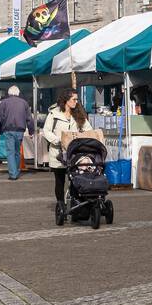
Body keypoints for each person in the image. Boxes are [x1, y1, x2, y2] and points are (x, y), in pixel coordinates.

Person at [43, 88, 93, 221]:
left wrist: (83, 138)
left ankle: (75, 205)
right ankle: (61, 205)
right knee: (60, 181)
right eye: (74, 99)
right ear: (66, 100)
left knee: (75, 180)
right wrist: (58, 140)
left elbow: (89, 130)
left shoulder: (79, 115)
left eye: (77, 99)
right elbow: (46, 131)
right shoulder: (54, 114)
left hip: (75, 154)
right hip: (58, 153)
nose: (76, 102)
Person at [0, 85, 34, 181]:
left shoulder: (4, 102)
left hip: (8, 130)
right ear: (18, 93)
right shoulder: (24, 103)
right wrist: (31, 131)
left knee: (10, 152)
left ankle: (13, 174)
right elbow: (29, 119)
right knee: (17, 152)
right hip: (20, 131)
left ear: (9, 93)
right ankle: (17, 171)